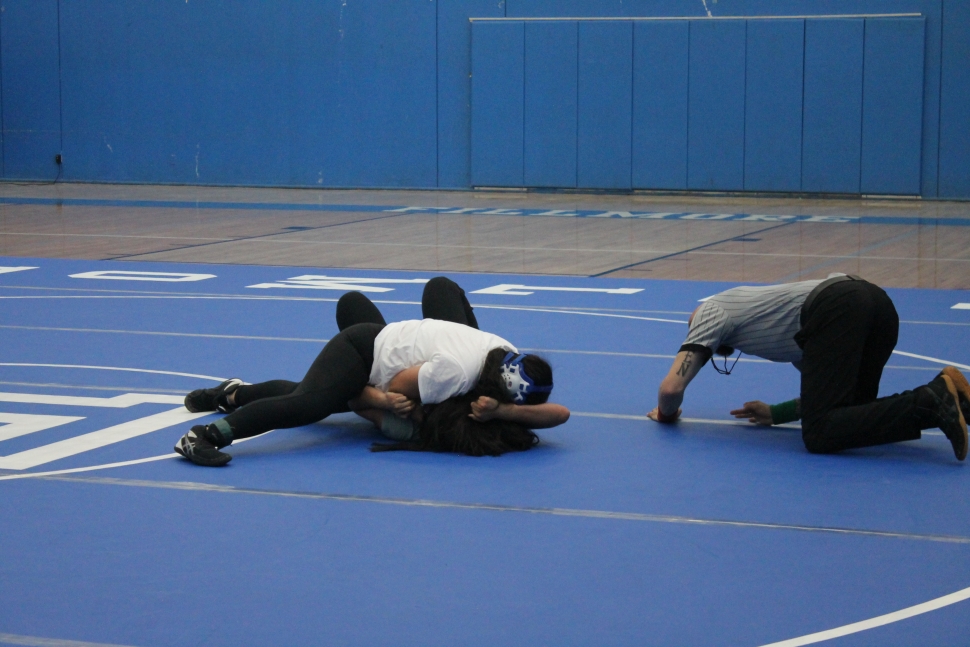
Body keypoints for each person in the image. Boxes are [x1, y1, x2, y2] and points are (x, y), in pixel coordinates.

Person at [175, 277, 570, 466]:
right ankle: (203, 436)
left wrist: (503, 412)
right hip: (366, 351)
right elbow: (393, 386)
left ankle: (229, 393)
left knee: (310, 392)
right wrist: (376, 399)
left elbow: (560, 414)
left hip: (402, 346)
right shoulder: (452, 374)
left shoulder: (506, 353)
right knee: (309, 404)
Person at [647, 274, 970, 460]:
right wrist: (779, 414)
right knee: (851, 411)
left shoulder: (711, 311)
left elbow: (671, 388)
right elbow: (824, 396)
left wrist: (666, 415)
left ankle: (931, 400)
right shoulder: (773, 331)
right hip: (874, 303)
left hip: (838, 305)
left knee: (819, 436)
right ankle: (956, 401)